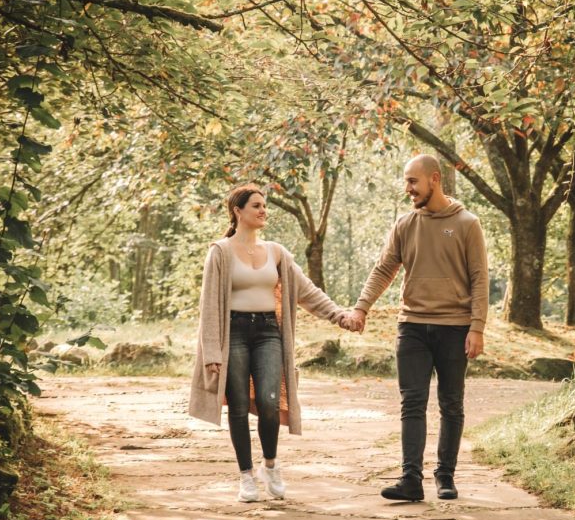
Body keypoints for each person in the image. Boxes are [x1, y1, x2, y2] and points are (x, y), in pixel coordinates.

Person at [189, 184, 350, 502]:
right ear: (238, 211)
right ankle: (246, 477)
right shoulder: (220, 252)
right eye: (256, 206)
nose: (264, 211)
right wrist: (211, 351)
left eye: (265, 206)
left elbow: (307, 291)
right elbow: (209, 305)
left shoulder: (277, 253)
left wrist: (340, 316)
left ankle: (270, 466)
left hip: (268, 333)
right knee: (237, 406)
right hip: (232, 333)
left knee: (269, 402)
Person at [346, 154, 489, 502]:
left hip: (455, 328)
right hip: (412, 326)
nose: (407, 189)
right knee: (412, 403)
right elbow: (384, 270)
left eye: (413, 181)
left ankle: (446, 475)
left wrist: (477, 327)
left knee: (451, 404)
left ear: (434, 179)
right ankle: (411, 479)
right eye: (406, 181)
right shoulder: (405, 224)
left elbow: (479, 278)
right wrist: (362, 307)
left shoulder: (467, 223)